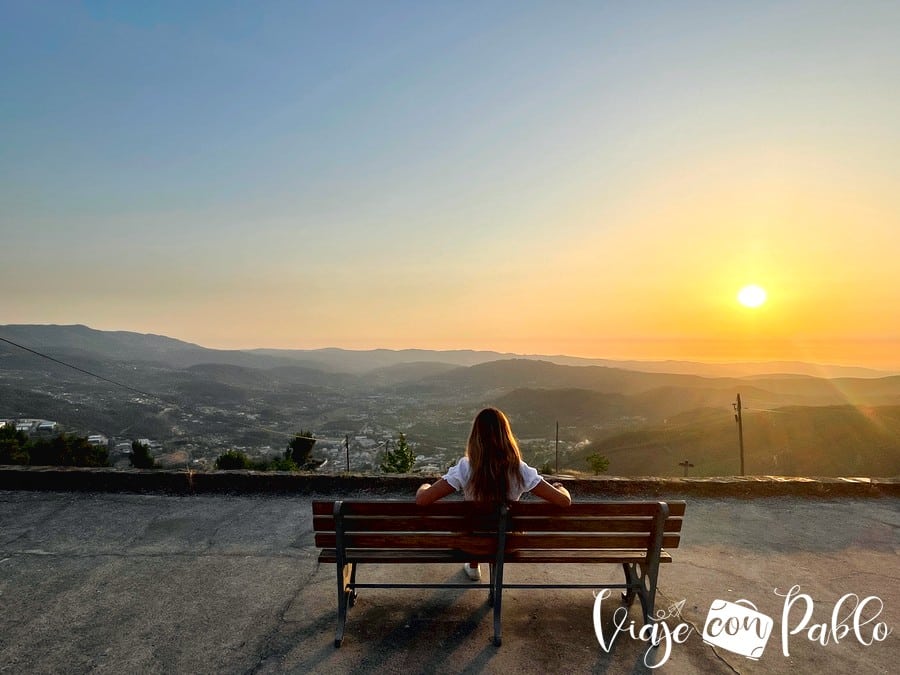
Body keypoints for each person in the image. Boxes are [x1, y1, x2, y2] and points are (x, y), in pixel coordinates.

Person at [415, 407, 571, 580]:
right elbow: (564, 501)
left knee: (474, 524)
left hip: (471, 545)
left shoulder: (466, 467)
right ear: (506, 434)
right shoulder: (519, 469)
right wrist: (559, 487)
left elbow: (422, 500)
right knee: (498, 524)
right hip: (507, 545)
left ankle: (473, 566)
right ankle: (478, 569)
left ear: (476, 436)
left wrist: (425, 485)